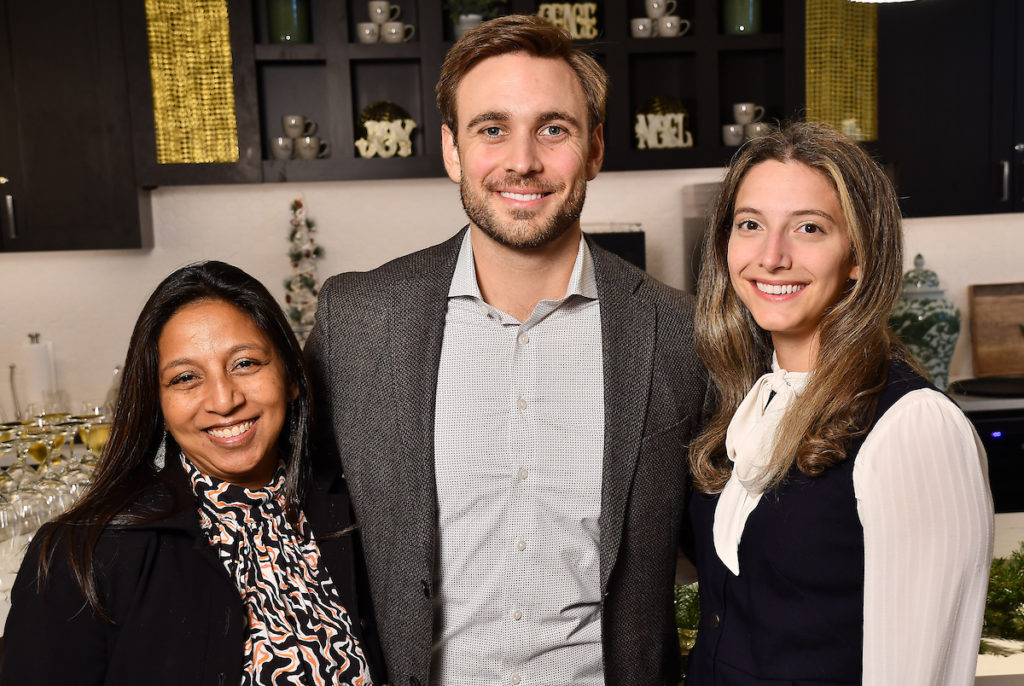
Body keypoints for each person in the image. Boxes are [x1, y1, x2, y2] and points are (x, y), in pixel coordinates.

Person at [304, 14, 707, 686]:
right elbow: (285, 514)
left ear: (596, 148)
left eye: (554, 128)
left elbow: (743, 551)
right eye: (492, 128)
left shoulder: (680, 333)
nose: (523, 159)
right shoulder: (358, 321)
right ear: (453, 150)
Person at [685, 121, 993, 685]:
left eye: (809, 228)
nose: (772, 256)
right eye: (750, 225)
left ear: (859, 255)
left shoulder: (913, 426)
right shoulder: (744, 402)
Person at [2, 261, 384, 686]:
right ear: (158, 405)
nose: (223, 400)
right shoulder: (81, 553)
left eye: (245, 364)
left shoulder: (358, 515)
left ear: (291, 378)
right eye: (186, 378)